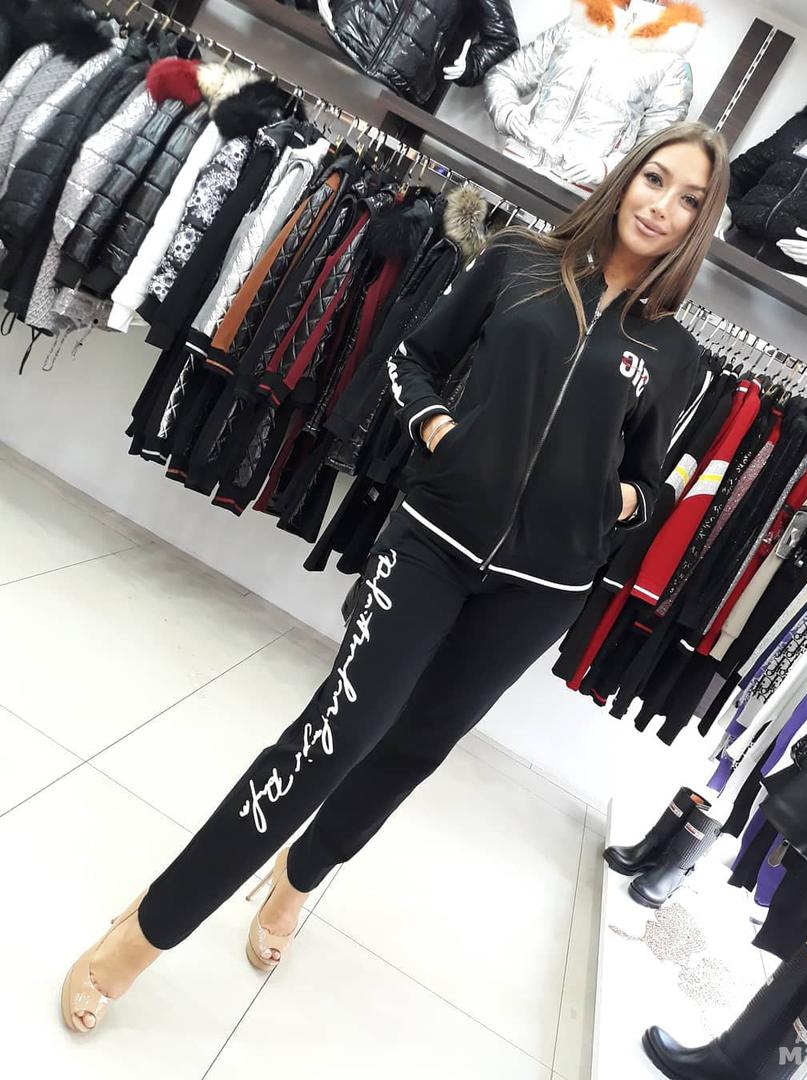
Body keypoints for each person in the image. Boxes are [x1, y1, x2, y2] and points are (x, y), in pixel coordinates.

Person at [60, 119, 730, 1033]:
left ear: (699, 223)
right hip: (432, 541)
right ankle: (150, 928)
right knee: (337, 736)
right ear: (626, 178)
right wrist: (439, 431)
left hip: (541, 589)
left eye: (690, 200)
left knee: (414, 747)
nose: (663, 206)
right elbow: (413, 357)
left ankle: (299, 877)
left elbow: (654, 484)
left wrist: (612, 502)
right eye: (656, 179)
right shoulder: (518, 264)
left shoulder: (675, 353)